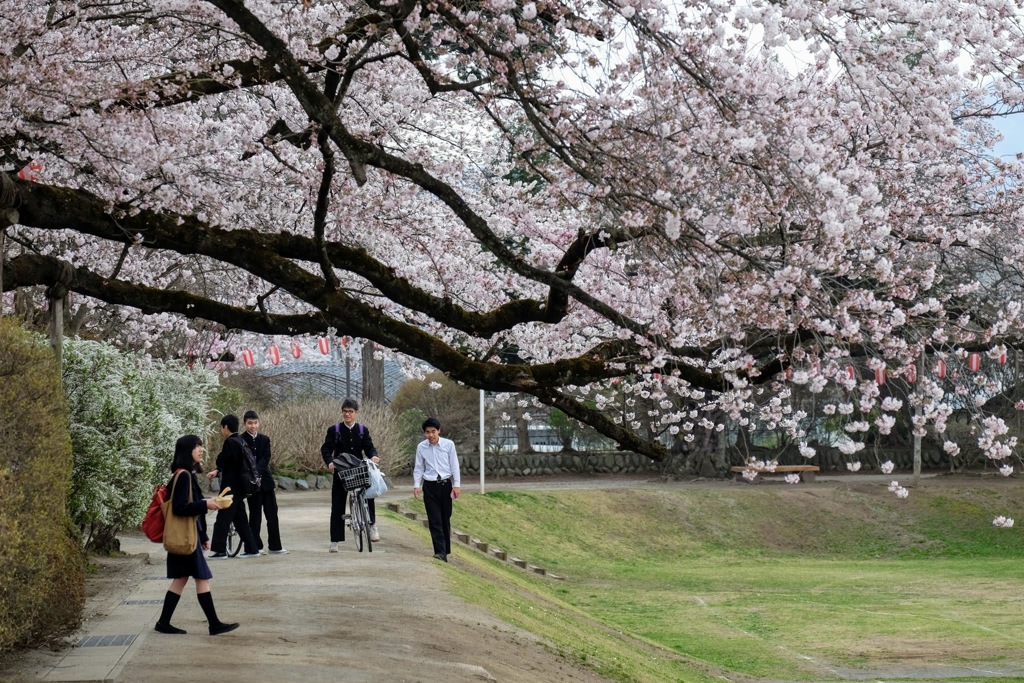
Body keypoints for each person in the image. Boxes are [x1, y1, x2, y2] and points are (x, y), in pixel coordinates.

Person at [154, 434, 240, 636]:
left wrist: (203, 536)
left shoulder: (183, 474)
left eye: (201, 446)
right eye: (197, 446)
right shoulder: (183, 475)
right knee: (202, 578)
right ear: (187, 451)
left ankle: (163, 622)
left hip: (186, 537)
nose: (201, 449)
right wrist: (206, 504)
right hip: (185, 538)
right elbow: (180, 508)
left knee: (181, 578)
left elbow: (189, 506)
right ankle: (214, 624)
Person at [320, 398, 381, 552]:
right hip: (341, 471)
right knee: (337, 504)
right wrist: (330, 462)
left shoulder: (362, 430)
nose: (347, 414)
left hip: (358, 469)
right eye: (345, 411)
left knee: (369, 494)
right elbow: (326, 449)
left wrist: (373, 456)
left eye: (350, 411)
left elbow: (369, 447)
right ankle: (335, 540)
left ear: (356, 413)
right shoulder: (334, 430)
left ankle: (372, 524)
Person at [206, 414, 261, 559]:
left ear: (225, 427)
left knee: (222, 519)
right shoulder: (241, 441)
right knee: (240, 519)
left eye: (221, 428)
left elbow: (222, 460)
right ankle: (252, 549)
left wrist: (218, 465)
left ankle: (220, 550)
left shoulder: (230, 442)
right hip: (241, 487)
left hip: (230, 488)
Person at [412, 417, 460, 562]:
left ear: (439, 431)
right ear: (424, 433)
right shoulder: (422, 447)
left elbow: (454, 465)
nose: (431, 435)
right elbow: (419, 467)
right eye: (428, 432)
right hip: (430, 485)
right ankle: (440, 552)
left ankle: (445, 548)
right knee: (434, 520)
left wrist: (457, 484)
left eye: (433, 431)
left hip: (445, 485)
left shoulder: (448, 445)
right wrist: (416, 485)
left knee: (445, 518)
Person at [241, 410, 288, 555]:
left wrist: (257, 472)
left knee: (272, 514)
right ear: (244, 424)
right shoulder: (240, 440)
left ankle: (275, 546)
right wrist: (252, 475)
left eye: (255, 423)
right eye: (250, 423)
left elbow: (266, 458)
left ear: (259, 423)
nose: (253, 426)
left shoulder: (265, 439)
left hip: (266, 482)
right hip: (251, 483)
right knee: (255, 515)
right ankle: (256, 546)